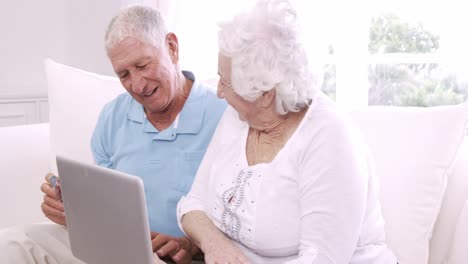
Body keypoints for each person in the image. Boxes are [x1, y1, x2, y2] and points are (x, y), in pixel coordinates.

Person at [0, 5, 226, 264]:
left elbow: (246, 219)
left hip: (176, 258)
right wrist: (74, 212)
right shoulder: (112, 117)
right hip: (112, 249)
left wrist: (190, 245)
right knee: (12, 243)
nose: (137, 85)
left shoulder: (224, 114)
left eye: (143, 65)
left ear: (172, 47)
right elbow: (105, 206)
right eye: (124, 74)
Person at [177, 0, 398, 263]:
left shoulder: (329, 138)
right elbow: (193, 204)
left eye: (225, 82)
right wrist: (215, 245)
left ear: (266, 94)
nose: (219, 92)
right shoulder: (238, 116)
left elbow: (320, 259)